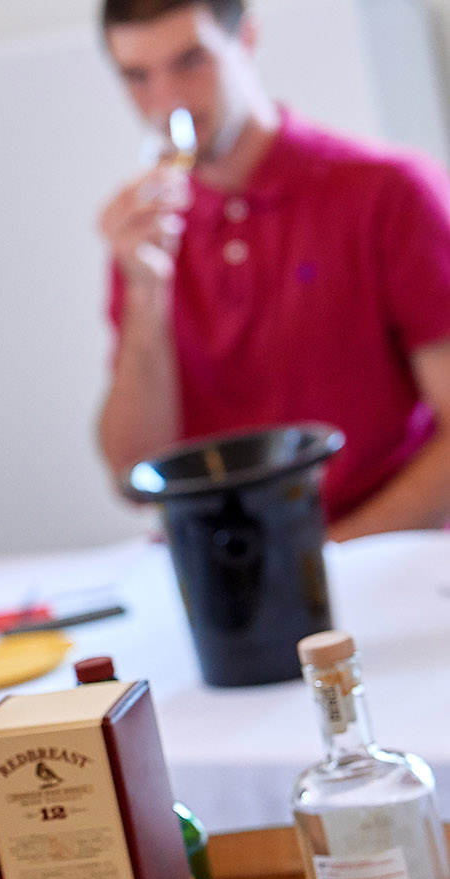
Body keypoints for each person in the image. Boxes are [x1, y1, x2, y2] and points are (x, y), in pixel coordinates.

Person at [94, 0, 450, 540]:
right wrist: (145, 298)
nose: (166, 101)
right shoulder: (148, 236)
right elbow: (133, 474)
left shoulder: (387, 192)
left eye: (192, 61)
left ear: (247, 42)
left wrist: (325, 557)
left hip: (381, 554)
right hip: (226, 573)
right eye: (138, 77)